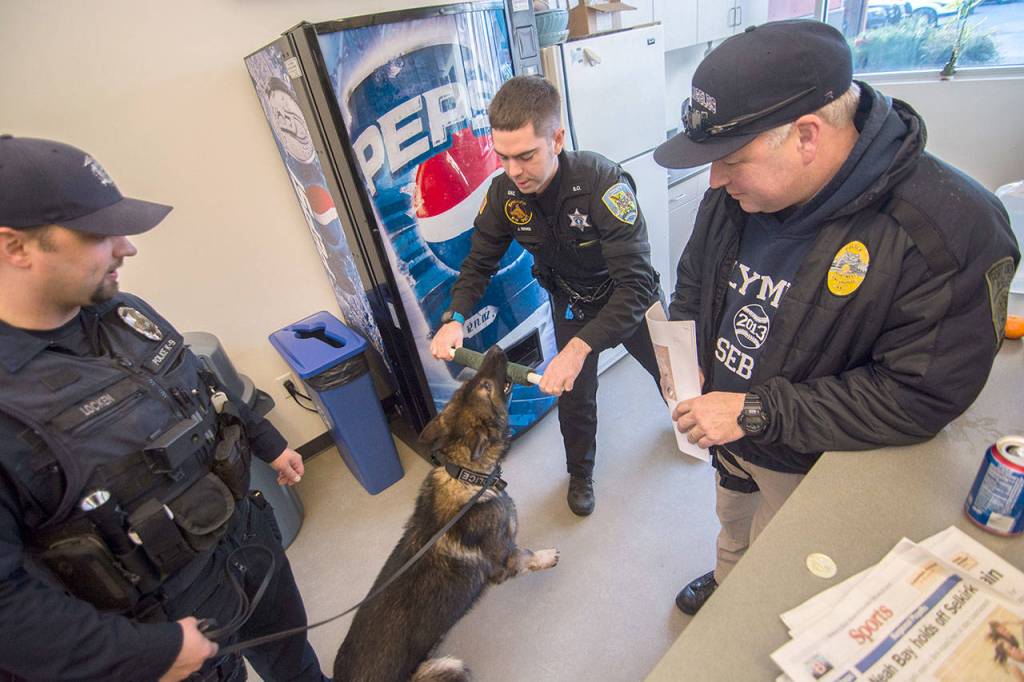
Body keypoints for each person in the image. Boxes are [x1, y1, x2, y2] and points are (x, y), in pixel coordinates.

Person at [653, 21, 1020, 615]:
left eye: (729, 159)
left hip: (807, 458)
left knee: (778, 586)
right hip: (725, 435)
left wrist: (755, 411)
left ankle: (744, 605)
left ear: (805, 136)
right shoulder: (739, 191)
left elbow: (918, 397)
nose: (714, 180)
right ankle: (726, 579)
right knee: (732, 517)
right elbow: (696, 278)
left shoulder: (952, 231)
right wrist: (684, 355)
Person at [0, 135, 326, 680]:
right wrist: (146, 654)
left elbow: (199, 387)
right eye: (100, 234)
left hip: (246, 542)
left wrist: (268, 443)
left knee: (295, 663)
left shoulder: (123, 312)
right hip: (158, 624)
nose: (127, 247)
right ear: (16, 248)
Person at [429, 76, 662, 516]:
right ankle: (580, 474)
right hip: (574, 300)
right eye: (503, 158)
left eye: (526, 156)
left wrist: (577, 348)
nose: (514, 171)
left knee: (674, 378)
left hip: (631, 299)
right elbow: (479, 264)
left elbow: (636, 285)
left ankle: (703, 438)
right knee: (574, 400)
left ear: (557, 138)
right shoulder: (505, 195)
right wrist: (455, 317)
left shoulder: (602, 184)